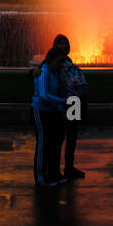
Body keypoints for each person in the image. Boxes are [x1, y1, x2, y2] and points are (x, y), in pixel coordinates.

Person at [31, 40, 68, 188]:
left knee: (54, 143)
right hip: (40, 112)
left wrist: (61, 107)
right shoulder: (44, 72)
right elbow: (43, 95)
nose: (61, 65)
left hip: (52, 111)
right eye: (59, 62)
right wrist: (62, 101)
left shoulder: (54, 73)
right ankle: (40, 178)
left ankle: (53, 174)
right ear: (52, 60)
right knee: (43, 145)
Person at [55, 34, 88, 180]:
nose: (64, 46)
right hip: (62, 103)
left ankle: (69, 167)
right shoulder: (52, 62)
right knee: (59, 137)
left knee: (72, 136)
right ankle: (55, 169)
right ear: (55, 46)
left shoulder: (69, 61)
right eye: (61, 43)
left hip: (73, 103)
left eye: (66, 43)